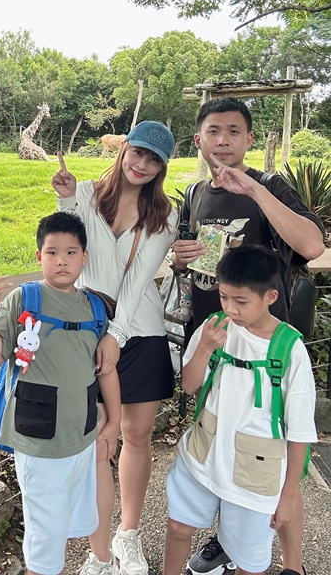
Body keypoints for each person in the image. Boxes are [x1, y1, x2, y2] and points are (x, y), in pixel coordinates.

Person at [171, 96, 325, 575]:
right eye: (213, 131)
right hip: (214, 339)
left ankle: (292, 564)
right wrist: (179, 257)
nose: (223, 140)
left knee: (273, 452)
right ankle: (229, 540)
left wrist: (256, 191)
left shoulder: (271, 185)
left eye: (234, 131)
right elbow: (189, 264)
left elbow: (313, 245)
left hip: (267, 346)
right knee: (222, 446)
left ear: (249, 139)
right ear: (198, 140)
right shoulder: (196, 194)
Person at [52, 121, 178, 575]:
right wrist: (66, 198)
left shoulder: (164, 214)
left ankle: (129, 534)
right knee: (97, 443)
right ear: (124, 149)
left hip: (139, 333)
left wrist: (116, 337)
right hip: (85, 331)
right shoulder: (85, 193)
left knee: (137, 436)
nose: (142, 165)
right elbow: (69, 248)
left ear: (162, 167)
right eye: (138, 153)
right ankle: (100, 551)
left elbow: (139, 282)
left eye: (154, 160)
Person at [0, 211, 122, 575]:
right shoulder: (24, 300)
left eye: (71, 253)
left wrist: (114, 421)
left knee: (72, 513)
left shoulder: (95, 307)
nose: (62, 261)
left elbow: (105, 369)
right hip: (38, 440)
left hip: (83, 436)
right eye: (52, 252)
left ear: (84, 258)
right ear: (39, 257)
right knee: (44, 530)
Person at [162, 245, 317, 575]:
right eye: (224, 297)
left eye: (241, 301)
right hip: (202, 457)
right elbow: (189, 386)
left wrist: (288, 494)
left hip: (255, 475)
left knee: (249, 560)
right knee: (177, 528)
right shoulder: (215, 327)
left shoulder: (290, 350)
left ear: (270, 296)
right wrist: (204, 348)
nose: (230, 309)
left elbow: (300, 430)